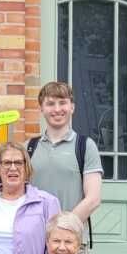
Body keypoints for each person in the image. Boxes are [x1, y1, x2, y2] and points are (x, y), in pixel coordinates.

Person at [27, 81, 103, 239]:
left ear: (72, 107)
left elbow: (93, 198)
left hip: (71, 241)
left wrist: (61, 229)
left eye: (62, 103)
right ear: (41, 108)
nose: (57, 109)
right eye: (50, 103)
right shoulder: (28, 147)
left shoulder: (85, 146)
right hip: (33, 239)